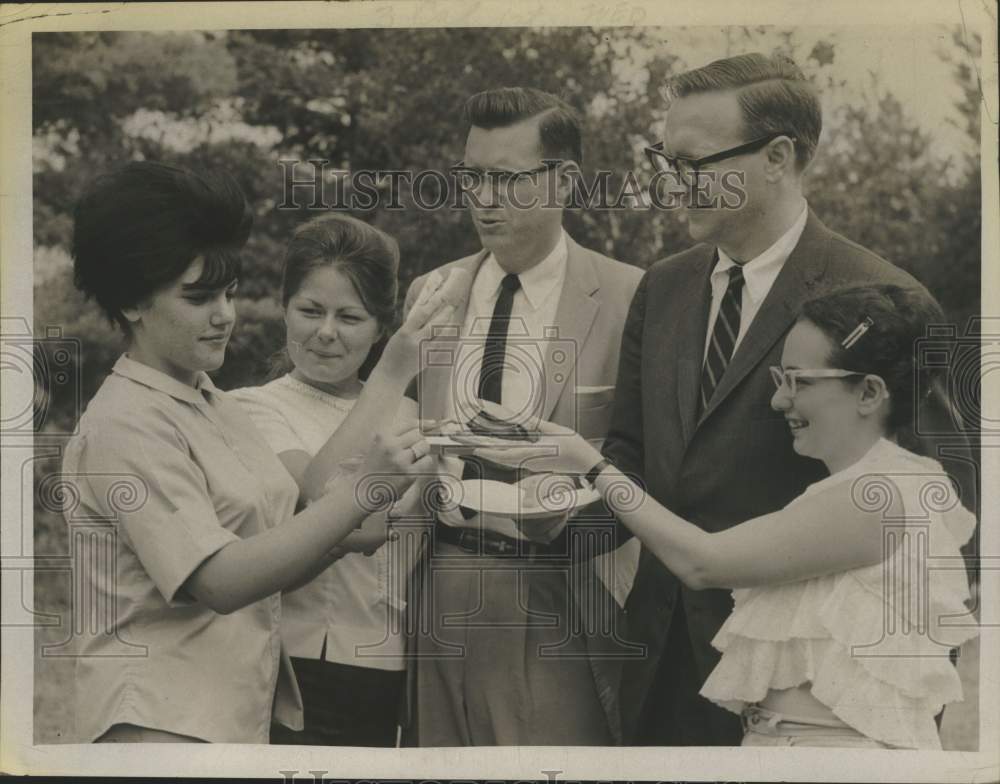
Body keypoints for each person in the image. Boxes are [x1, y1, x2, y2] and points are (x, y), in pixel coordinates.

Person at [602, 52, 951, 746]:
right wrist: (531, 508)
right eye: (664, 160)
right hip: (657, 669)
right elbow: (630, 456)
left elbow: (935, 514)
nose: (674, 184)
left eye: (695, 162)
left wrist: (894, 713)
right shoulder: (663, 287)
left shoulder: (887, 298)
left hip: (807, 690)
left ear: (779, 156)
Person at [473, 284, 978, 749]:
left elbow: (702, 563)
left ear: (869, 393)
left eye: (799, 381)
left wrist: (590, 463)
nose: (780, 399)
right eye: (781, 378)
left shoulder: (877, 496)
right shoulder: (864, 486)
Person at [62, 161, 448, 744]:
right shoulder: (127, 422)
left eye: (229, 292)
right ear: (134, 301)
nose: (225, 314)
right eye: (198, 298)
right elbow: (221, 580)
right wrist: (366, 490)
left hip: (232, 718)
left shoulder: (209, 403)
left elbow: (295, 538)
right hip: (156, 725)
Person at [401, 86, 644, 746]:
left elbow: (649, 462)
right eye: (471, 177)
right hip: (443, 581)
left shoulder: (631, 297)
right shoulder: (433, 292)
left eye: (504, 180)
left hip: (567, 588)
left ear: (564, 180)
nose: (482, 199)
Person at [230, 213, 424, 746]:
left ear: (381, 326)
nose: (326, 333)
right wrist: (388, 376)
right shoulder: (249, 409)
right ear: (283, 309)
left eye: (350, 317)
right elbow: (310, 502)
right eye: (310, 310)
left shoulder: (413, 416)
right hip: (290, 662)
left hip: (390, 666)